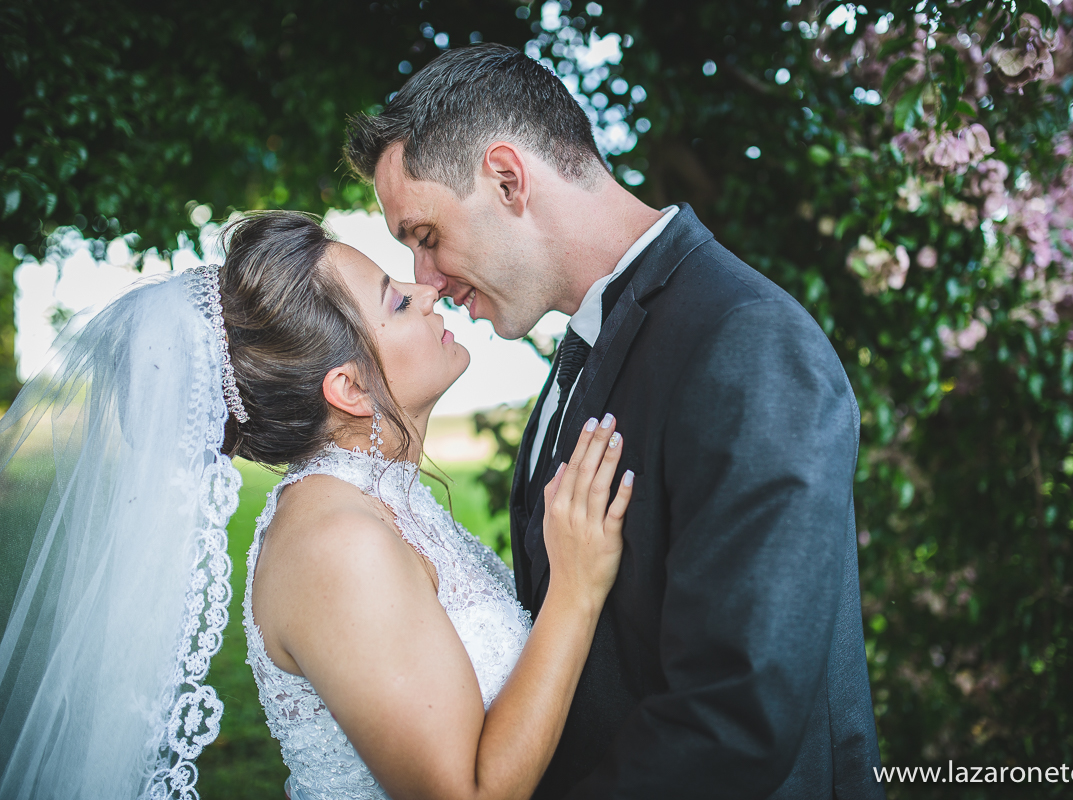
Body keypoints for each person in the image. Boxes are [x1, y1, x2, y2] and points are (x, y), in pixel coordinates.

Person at [344, 43, 885, 799]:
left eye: (426, 237)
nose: (427, 281)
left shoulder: (746, 339)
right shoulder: (586, 342)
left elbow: (737, 715)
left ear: (507, 178)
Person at [0, 210, 634, 800]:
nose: (427, 291)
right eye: (396, 298)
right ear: (350, 389)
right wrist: (574, 588)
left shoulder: (372, 501)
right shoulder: (335, 543)